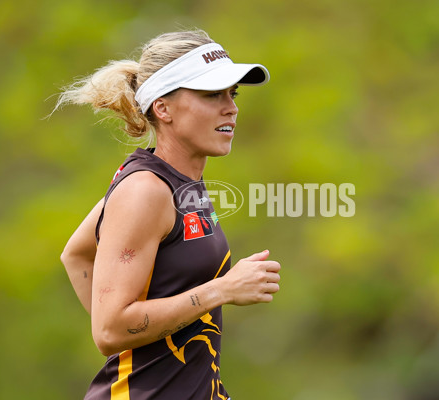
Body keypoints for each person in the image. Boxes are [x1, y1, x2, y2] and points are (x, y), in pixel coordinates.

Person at [57, 29, 281, 400]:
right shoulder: (145, 190)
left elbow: (76, 253)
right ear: (163, 108)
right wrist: (221, 290)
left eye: (232, 93)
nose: (231, 107)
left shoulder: (177, 182)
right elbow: (110, 331)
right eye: (212, 95)